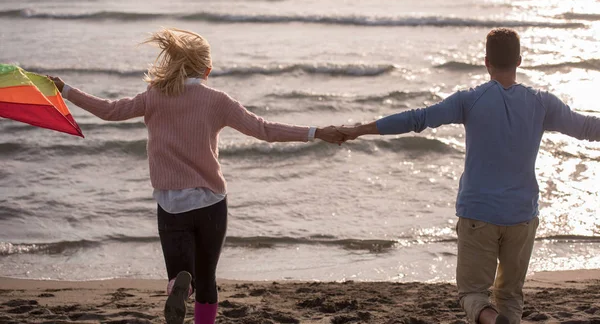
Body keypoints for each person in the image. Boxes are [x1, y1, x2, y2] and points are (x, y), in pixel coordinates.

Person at [48, 28, 344, 324]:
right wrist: (315, 132)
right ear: (208, 69)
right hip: (211, 203)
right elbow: (264, 129)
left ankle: (180, 285)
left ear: (175, 64)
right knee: (208, 279)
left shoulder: (154, 96)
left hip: (171, 204)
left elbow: (109, 111)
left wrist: (66, 89)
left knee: (181, 276)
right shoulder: (218, 100)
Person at [336, 28, 600, 324]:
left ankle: (488, 318)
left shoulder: (470, 100)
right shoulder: (542, 103)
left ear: (486, 61)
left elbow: (417, 119)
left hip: (478, 214)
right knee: (511, 295)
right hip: (522, 216)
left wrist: (359, 129)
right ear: (520, 61)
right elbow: (588, 128)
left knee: (473, 294)